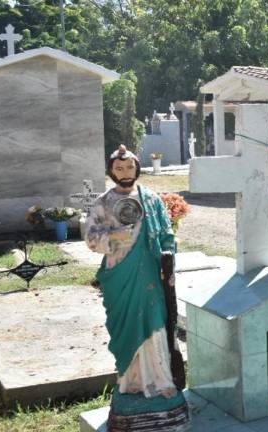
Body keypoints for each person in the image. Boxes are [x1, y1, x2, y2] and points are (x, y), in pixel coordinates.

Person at [85, 145, 189, 431]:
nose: (125, 173)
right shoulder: (103, 203)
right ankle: (130, 384)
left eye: (129, 168)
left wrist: (169, 265)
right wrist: (114, 234)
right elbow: (91, 238)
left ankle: (162, 382)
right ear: (111, 171)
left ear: (137, 169)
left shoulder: (151, 200)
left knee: (155, 324)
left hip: (149, 278)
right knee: (126, 328)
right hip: (119, 275)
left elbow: (167, 235)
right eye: (119, 169)